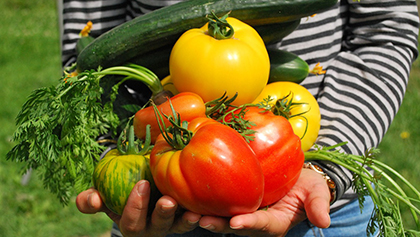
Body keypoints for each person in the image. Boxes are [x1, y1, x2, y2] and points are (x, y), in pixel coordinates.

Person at [59, 0, 419, 236]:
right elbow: (89, 58)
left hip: (321, 206)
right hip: (162, 200)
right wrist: (118, 162)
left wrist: (326, 169)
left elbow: (386, 30)